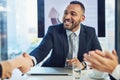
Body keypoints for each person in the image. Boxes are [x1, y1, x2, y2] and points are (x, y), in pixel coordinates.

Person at [21, 0, 102, 72]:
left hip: (78, 75)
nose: (66, 17)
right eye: (65, 13)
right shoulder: (53, 30)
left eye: (73, 14)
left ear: (82, 18)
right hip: (54, 72)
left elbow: (99, 57)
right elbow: (42, 50)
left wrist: (83, 65)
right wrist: (30, 60)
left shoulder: (90, 32)